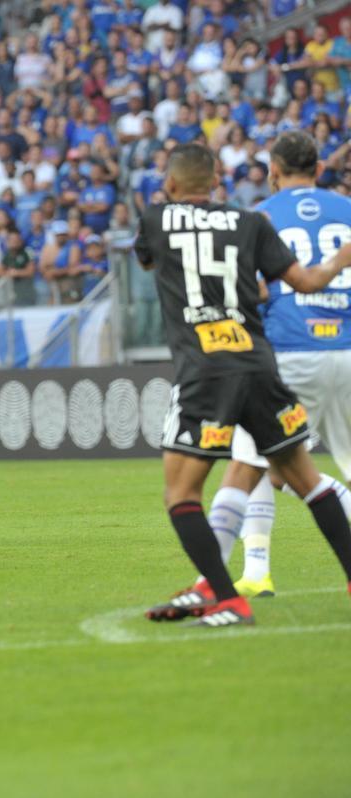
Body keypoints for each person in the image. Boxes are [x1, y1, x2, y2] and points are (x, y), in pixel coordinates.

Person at [135, 143, 351, 628]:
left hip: (205, 370)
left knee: (181, 495)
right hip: (259, 364)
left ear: (170, 184)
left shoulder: (155, 220)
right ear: (217, 182)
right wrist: (340, 260)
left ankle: (227, 598)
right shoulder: (251, 222)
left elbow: (151, 262)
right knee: (307, 480)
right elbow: (304, 282)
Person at [199, 132, 351, 598]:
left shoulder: (259, 217)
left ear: (273, 172)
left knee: (251, 462)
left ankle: (234, 576)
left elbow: (254, 289)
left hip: (288, 349)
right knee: (284, 466)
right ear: (319, 169)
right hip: (348, 348)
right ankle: (251, 572)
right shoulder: (347, 210)